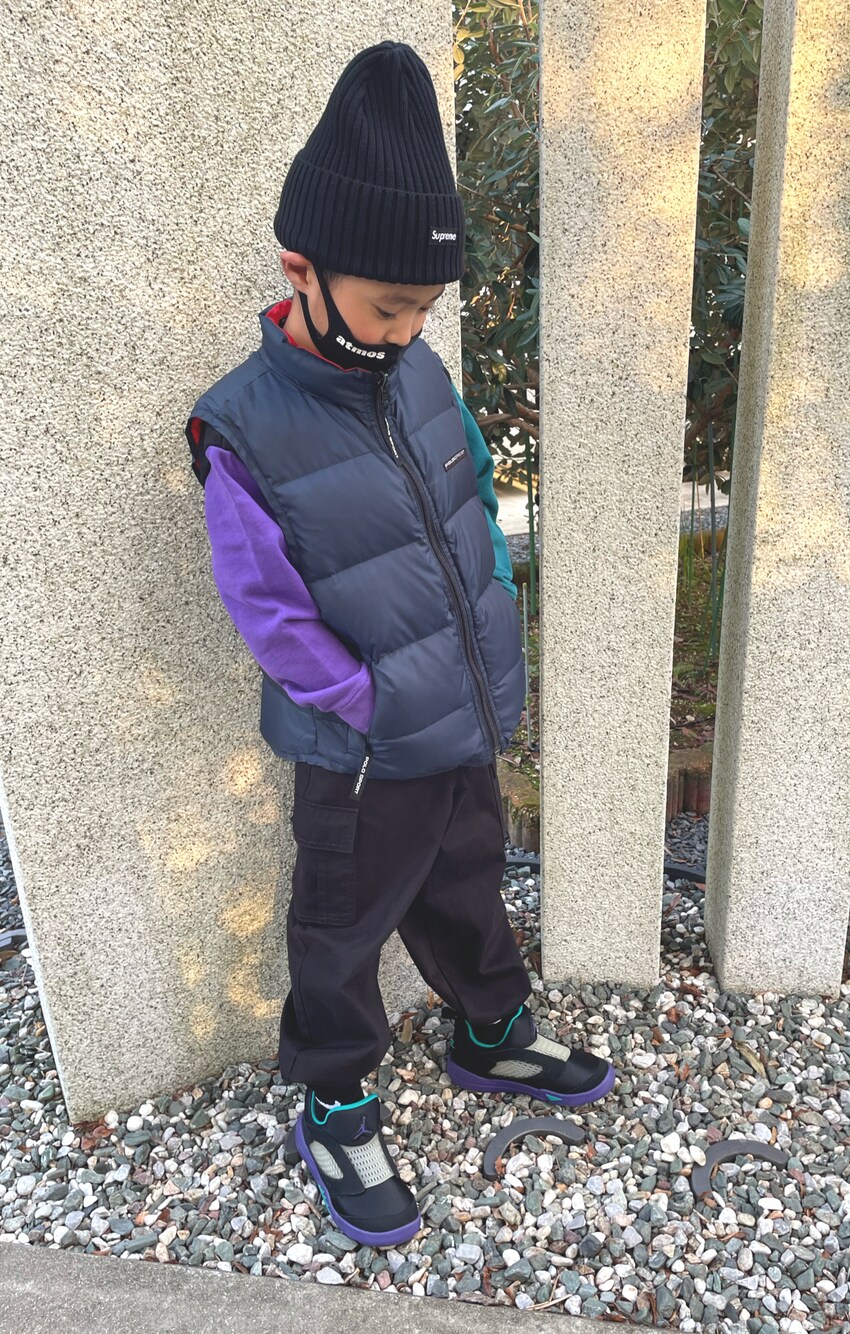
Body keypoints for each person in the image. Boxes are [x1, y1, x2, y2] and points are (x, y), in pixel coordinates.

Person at [184, 40, 614, 1248]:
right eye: (388, 305)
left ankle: (490, 1027)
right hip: (363, 747)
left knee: (469, 872)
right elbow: (267, 608)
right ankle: (334, 1095)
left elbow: (467, 491)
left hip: (456, 713)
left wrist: (495, 609)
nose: (410, 327)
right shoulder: (242, 426)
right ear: (302, 271)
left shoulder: (419, 374)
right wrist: (366, 702)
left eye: (426, 307)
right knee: (341, 921)